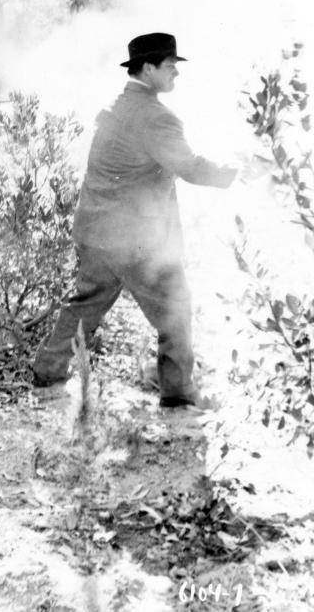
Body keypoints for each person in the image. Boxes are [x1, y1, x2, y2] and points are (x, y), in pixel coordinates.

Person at [31, 33, 237, 408]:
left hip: (96, 231)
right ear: (148, 68)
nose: (176, 72)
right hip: (136, 242)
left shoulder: (116, 107)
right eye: (170, 65)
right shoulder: (157, 117)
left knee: (84, 305)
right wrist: (231, 174)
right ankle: (178, 391)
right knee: (175, 306)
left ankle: (47, 371)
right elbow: (188, 166)